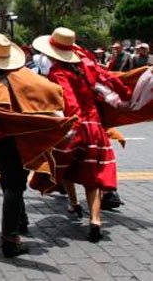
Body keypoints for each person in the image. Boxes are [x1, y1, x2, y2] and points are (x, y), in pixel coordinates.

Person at [0, 33, 76, 257]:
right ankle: (10, 239)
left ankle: (20, 221)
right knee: (15, 184)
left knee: (9, 180)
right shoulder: (23, 76)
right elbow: (49, 94)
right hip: (19, 140)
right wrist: (62, 126)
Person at [33, 28, 131, 243]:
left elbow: (70, 101)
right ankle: (95, 220)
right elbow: (110, 79)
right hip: (95, 127)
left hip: (76, 126)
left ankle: (74, 203)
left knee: (66, 166)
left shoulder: (58, 71)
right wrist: (126, 93)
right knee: (93, 177)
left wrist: (70, 128)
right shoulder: (87, 65)